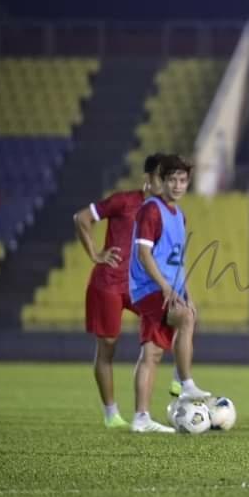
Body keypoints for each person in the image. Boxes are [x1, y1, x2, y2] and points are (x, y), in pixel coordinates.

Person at [73, 152, 166, 428]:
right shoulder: (124, 201)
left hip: (140, 287)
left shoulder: (166, 213)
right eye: (161, 177)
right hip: (109, 284)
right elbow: (81, 218)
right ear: (147, 179)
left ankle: (156, 404)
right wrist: (95, 254)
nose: (166, 183)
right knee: (108, 347)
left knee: (171, 321)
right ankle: (111, 413)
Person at [128, 154, 211, 433]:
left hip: (168, 288)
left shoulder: (179, 215)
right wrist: (165, 287)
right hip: (149, 287)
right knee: (185, 319)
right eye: (172, 179)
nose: (177, 185)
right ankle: (185, 383)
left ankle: (141, 418)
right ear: (161, 181)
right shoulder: (151, 210)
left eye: (182, 180)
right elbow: (144, 252)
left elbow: (178, 260)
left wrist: (187, 292)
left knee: (151, 353)